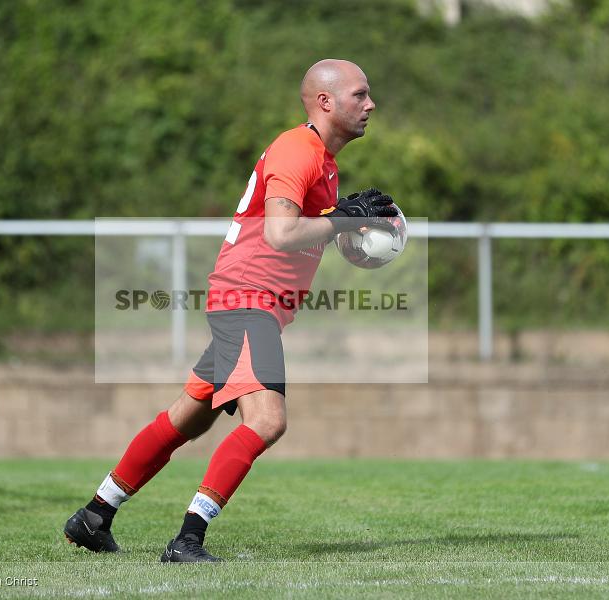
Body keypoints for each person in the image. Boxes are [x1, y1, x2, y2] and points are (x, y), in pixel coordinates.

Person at [63, 58, 396, 562]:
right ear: (325, 102)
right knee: (267, 420)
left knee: (186, 420)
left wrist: (340, 221)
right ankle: (188, 539)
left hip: (249, 302)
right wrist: (341, 222)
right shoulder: (297, 150)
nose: (370, 104)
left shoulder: (322, 163)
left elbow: (297, 230)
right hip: (248, 301)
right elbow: (281, 234)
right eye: (360, 94)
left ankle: (95, 515)